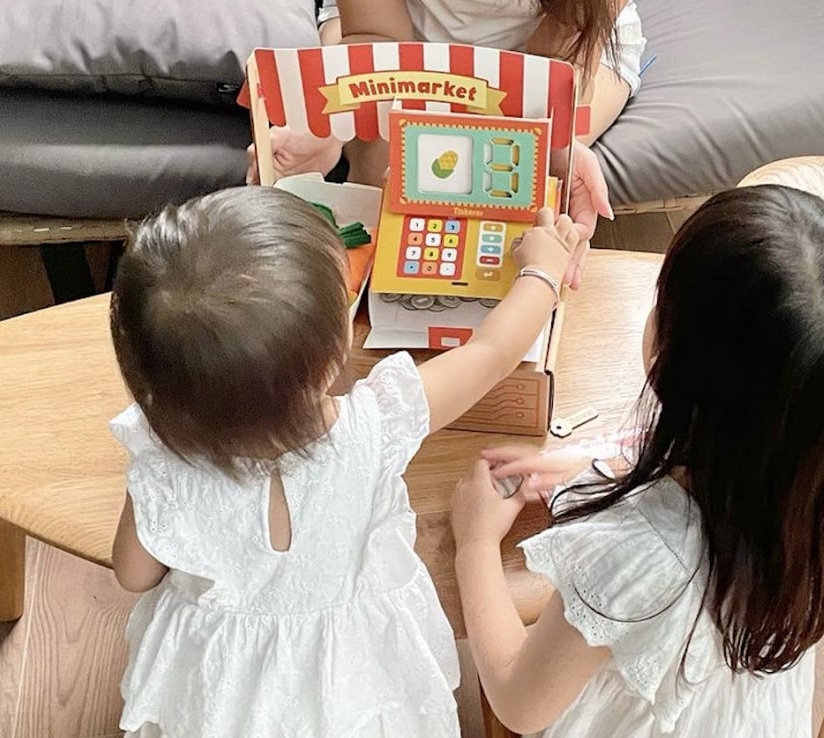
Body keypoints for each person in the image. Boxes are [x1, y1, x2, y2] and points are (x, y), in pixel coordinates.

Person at [108, 186, 577, 737]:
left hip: (224, 695)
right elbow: (491, 354)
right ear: (336, 355)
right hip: (356, 679)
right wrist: (543, 273)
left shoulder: (165, 458)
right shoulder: (377, 424)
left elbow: (134, 572)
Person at [450, 185, 824, 737]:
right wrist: (595, 468)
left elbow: (519, 702)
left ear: (668, 354)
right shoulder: (817, 482)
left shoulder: (636, 557)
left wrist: (474, 544)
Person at [248, 0, 672, 288]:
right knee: (384, 194)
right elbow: (377, 31)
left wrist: (545, 144)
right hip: (398, 27)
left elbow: (559, 58)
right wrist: (335, 125)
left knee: (513, 193)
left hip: (558, 50)